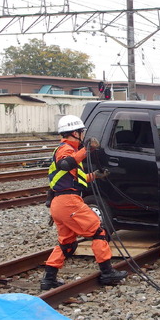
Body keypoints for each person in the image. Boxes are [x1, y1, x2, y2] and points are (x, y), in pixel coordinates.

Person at [42, 115, 128, 290]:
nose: (83, 135)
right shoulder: (66, 149)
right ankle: (107, 272)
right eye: (81, 132)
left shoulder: (65, 149)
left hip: (60, 203)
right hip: (68, 202)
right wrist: (86, 150)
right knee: (98, 231)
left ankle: (48, 279)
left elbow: (72, 178)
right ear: (75, 133)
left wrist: (94, 176)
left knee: (67, 244)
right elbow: (65, 164)